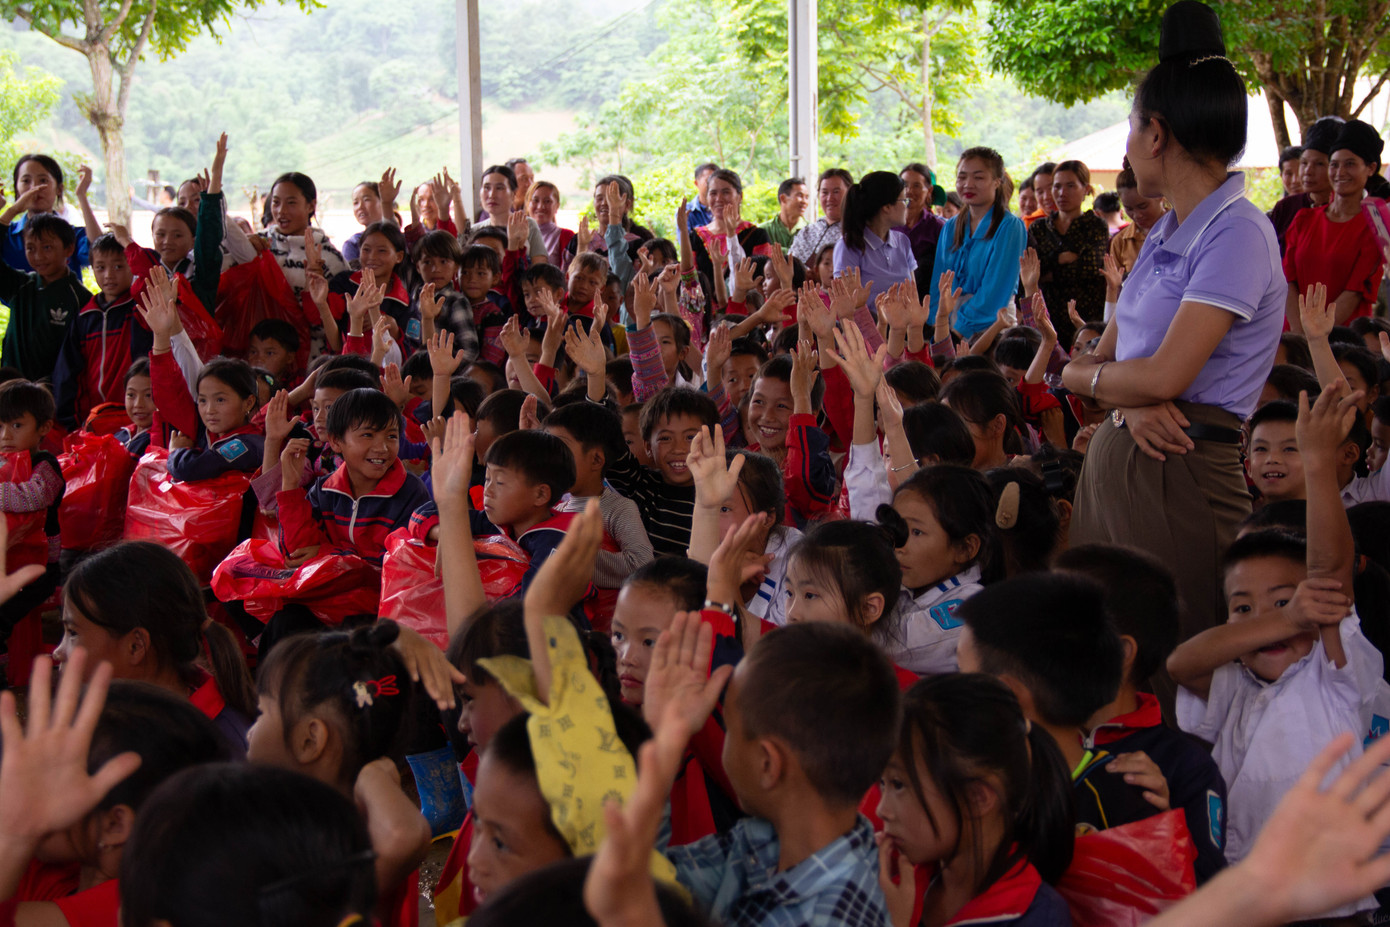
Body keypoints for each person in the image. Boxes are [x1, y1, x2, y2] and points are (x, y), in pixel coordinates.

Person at [1063, 0, 1286, 653]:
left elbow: (1164, 373)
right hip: (1123, 448)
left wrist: (1093, 379)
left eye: (1132, 127)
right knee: (1100, 662)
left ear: (1156, 133)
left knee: (1169, 664)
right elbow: (1105, 357)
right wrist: (1112, 391)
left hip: (1177, 468)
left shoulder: (1238, 230)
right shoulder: (1166, 231)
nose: (1129, 144)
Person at [1169, 383, 1385, 919]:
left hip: (1330, 902)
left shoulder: (1332, 677)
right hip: (1249, 892)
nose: (1263, 621)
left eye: (1284, 600)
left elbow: (1328, 572)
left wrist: (1316, 464)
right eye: (1242, 608)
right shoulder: (1232, 686)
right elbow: (1180, 663)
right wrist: (1281, 618)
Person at [651, 617, 901, 927]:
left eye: (729, 728)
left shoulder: (831, 918)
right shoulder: (764, 841)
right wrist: (666, 743)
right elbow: (651, 882)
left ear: (767, 764)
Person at [0, 653, 230, 927]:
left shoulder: (132, 907)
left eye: (47, 778)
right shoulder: (60, 862)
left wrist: (14, 836)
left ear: (114, 824)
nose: (23, 786)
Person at [1059, 544, 1230, 884]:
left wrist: (1161, 829)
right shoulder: (1030, 738)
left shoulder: (1186, 766)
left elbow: (1210, 888)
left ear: (1119, 653)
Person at [247, 621, 433, 927]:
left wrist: (373, 774)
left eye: (262, 711)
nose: (250, 732)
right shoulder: (361, 826)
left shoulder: (342, 852)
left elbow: (405, 837)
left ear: (310, 740)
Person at [958, 573, 1162, 833]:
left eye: (962, 674)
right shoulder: (967, 781)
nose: (956, 692)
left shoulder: (1125, 803)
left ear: (1008, 696)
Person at [875, 674, 1074, 927]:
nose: (882, 810)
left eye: (898, 785)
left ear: (977, 798)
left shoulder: (1036, 917)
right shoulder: (899, 889)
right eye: (882, 783)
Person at [55, 541, 256, 756]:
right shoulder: (115, 718)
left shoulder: (208, 751)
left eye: (73, 633)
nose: (57, 652)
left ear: (135, 646)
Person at [1283, 119, 1387, 331]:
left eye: (1350, 164)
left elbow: (1354, 293)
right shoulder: (1303, 219)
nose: (1340, 172)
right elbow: (1287, 281)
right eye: (1334, 164)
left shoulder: (1374, 226)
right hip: (1293, 338)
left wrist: (1315, 337)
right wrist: (1298, 334)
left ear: (1370, 168)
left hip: (1342, 342)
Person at [927, 148, 1027, 340]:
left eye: (978, 178)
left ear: (997, 182)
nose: (968, 185)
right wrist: (936, 323)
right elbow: (938, 284)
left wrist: (957, 332)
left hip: (991, 325)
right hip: (947, 324)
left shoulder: (1010, 226)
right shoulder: (950, 226)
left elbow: (996, 290)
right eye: (962, 177)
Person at [0, 380, 65, 650]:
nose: (5, 436)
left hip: (37, 571)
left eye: (16, 426)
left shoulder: (45, 466)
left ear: (44, 428)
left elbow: (33, 496)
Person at [0, 213, 89, 381]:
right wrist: (9, 214)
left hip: (53, 397)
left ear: (69, 249)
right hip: (9, 389)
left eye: (47, 247)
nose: (38, 256)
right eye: (30, 248)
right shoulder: (19, 285)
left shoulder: (81, 299)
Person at [1028, 159, 1109, 343]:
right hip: (1047, 314)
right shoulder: (1039, 228)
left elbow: (1089, 270)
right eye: (1057, 187)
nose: (1062, 193)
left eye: (1071, 186)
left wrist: (1048, 272)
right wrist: (1058, 258)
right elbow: (1031, 271)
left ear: (1086, 189)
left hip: (1085, 315)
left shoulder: (1095, 225)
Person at [833, 171, 917, 314]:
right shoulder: (849, 246)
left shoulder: (903, 242)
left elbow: (913, 296)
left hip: (903, 329)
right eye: (904, 201)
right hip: (865, 331)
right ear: (887, 207)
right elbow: (848, 307)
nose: (907, 206)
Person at [2, 154, 89, 275]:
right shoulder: (6, 235)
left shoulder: (74, 235)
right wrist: (13, 210)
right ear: (17, 189)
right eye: (26, 181)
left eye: (43, 180)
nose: (34, 188)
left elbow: (99, 255)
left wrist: (82, 196)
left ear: (59, 189)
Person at [1268, 116, 1343, 253]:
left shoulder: (1347, 212)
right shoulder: (1285, 208)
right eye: (1304, 163)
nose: (1308, 171)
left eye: (1319, 164)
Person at [690, 169, 772, 294]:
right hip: (705, 311)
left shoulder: (756, 235)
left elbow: (764, 280)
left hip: (746, 310)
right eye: (713, 193)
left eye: (726, 192)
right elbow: (690, 280)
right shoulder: (696, 236)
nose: (719, 199)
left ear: (740, 196)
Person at [895, 163, 947, 299]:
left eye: (916, 186)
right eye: (905, 185)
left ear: (928, 191)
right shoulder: (888, 225)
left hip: (927, 303)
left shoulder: (938, 227)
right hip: (890, 304)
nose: (909, 191)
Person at [477, 165, 547, 264]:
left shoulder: (527, 224)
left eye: (499, 188)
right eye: (487, 187)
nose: (492, 194)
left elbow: (540, 266)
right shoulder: (475, 230)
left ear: (513, 194)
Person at [1108, 167, 1168, 277]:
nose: (1137, 215)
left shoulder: (1182, 229)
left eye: (1143, 206)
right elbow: (1116, 286)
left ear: (1160, 196)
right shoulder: (1120, 242)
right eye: (1129, 209)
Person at [790, 168, 853, 264]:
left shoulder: (857, 232)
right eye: (824, 192)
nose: (830, 198)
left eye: (836, 192)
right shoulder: (807, 232)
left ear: (850, 193)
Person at [526, 180, 573, 266]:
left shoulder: (567, 236)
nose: (540, 206)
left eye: (547, 201)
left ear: (557, 206)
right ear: (527, 204)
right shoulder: (515, 234)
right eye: (535, 200)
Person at [759, 177, 808, 249]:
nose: (804, 202)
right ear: (783, 198)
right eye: (800, 195)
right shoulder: (763, 231)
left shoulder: (812, 231)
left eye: (806, 197)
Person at [686, 162, 719, 232]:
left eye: (716, 181)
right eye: (708, 180)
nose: (713, 185)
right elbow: (684, 241)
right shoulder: (687, 212)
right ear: (696, 183)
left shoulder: (725, 209)